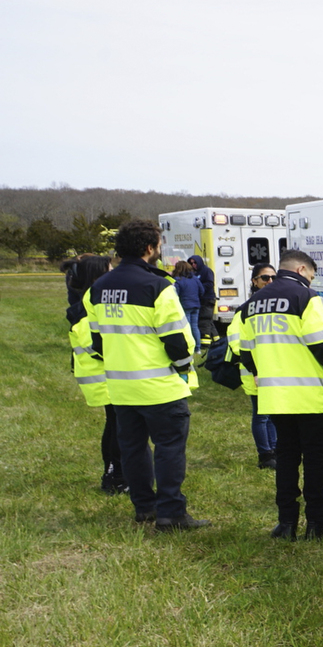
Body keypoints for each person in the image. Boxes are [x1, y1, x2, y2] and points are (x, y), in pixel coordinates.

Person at [84, 219, 209, 530]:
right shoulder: (158, 286)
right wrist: (183, 369)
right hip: (160, 386)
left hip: (120, 386)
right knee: (169, 448)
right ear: (150, 248)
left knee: (133, 448)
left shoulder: (99, 287)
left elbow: (97, 342)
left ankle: (145, 507)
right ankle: (171, 513)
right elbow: (177, 342)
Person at [237, 250, 323, 540]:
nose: (312, 281)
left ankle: (286, 523)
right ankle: (316, 523)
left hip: (275, 396)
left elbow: (245, 351)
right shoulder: (306, 298)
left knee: (285, 459)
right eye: (311, 275)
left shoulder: (252, 304)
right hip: (312, 396)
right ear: (301, 269)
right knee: (314, 460)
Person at [67, 255, 125, 494]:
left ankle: (114, 473)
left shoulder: (87, 302)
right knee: (117, 427)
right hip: (104, 376)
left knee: (113, 425)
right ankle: (115, 477)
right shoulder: (88, 306)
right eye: (109, 269)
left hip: (102, 376)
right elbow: (93, 344)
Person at [226, 263, 278, 468]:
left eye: (274, 277)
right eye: (265, 278)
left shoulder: (275, 305)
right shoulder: (246, 309)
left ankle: (274, 450)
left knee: (273, 413)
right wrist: (256, 369)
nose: (270, 282)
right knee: (262, 414)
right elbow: (237, 341)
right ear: (254, 281)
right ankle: (265, 455)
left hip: (273, 369)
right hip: (254, 370)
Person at [172, 260, 204, 353]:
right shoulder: (195, 279)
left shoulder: (178, 280)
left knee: (187, 327)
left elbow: (175, 294)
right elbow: (202, 291)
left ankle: (189, 346)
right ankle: (197, 348)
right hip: (196, 305)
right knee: (195, 326)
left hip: (185, 305)